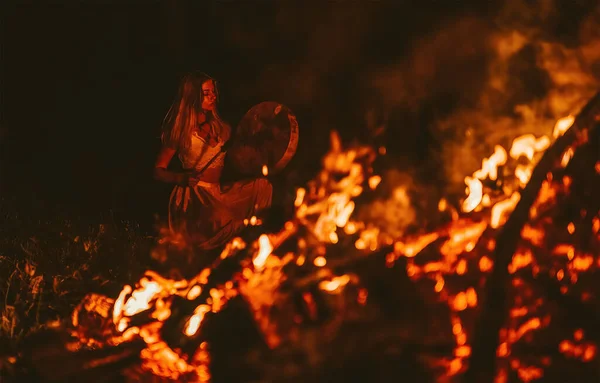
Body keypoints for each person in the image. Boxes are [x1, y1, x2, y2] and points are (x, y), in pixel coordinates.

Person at [154, 71, 272, 251]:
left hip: (217, 192)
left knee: (262, 187)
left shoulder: (219, 127)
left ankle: (255, 243)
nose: (213, 96)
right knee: (222, 218)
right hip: (196, 196)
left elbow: (239, 154)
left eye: (213, 91)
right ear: (193, 97)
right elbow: (158, 170)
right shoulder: (180, 132)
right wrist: (180, 179)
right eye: (206, 93)